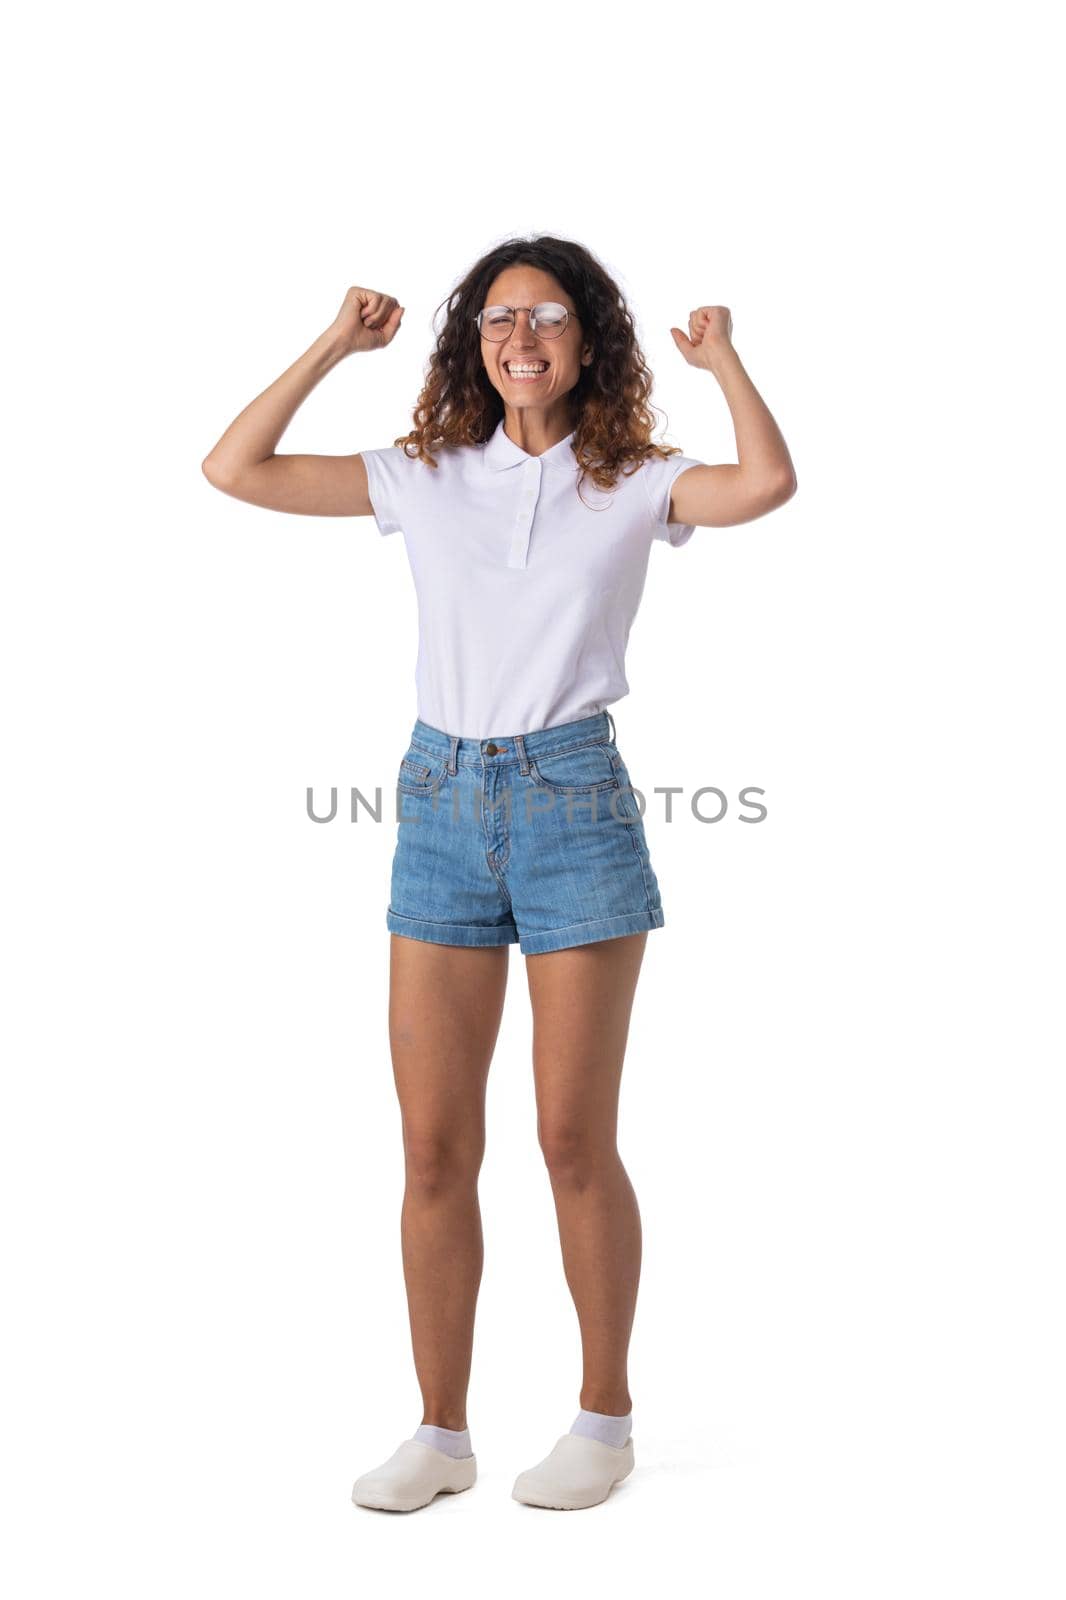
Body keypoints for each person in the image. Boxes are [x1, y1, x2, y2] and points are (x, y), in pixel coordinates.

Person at [202, 234, 797, 1513]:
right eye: (496, 318)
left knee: (573, 1138)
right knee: (430, 1147)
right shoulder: (425, 474)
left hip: (573, 796)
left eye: (547, 316)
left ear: (591, 339)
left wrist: (727, 360)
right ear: (474, 343)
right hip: (436, 798)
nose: (519, 336)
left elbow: (763, 485)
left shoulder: (634, 476)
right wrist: (331, 344)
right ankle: (440, 1431)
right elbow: (231, 468)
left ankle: (603, 1417)